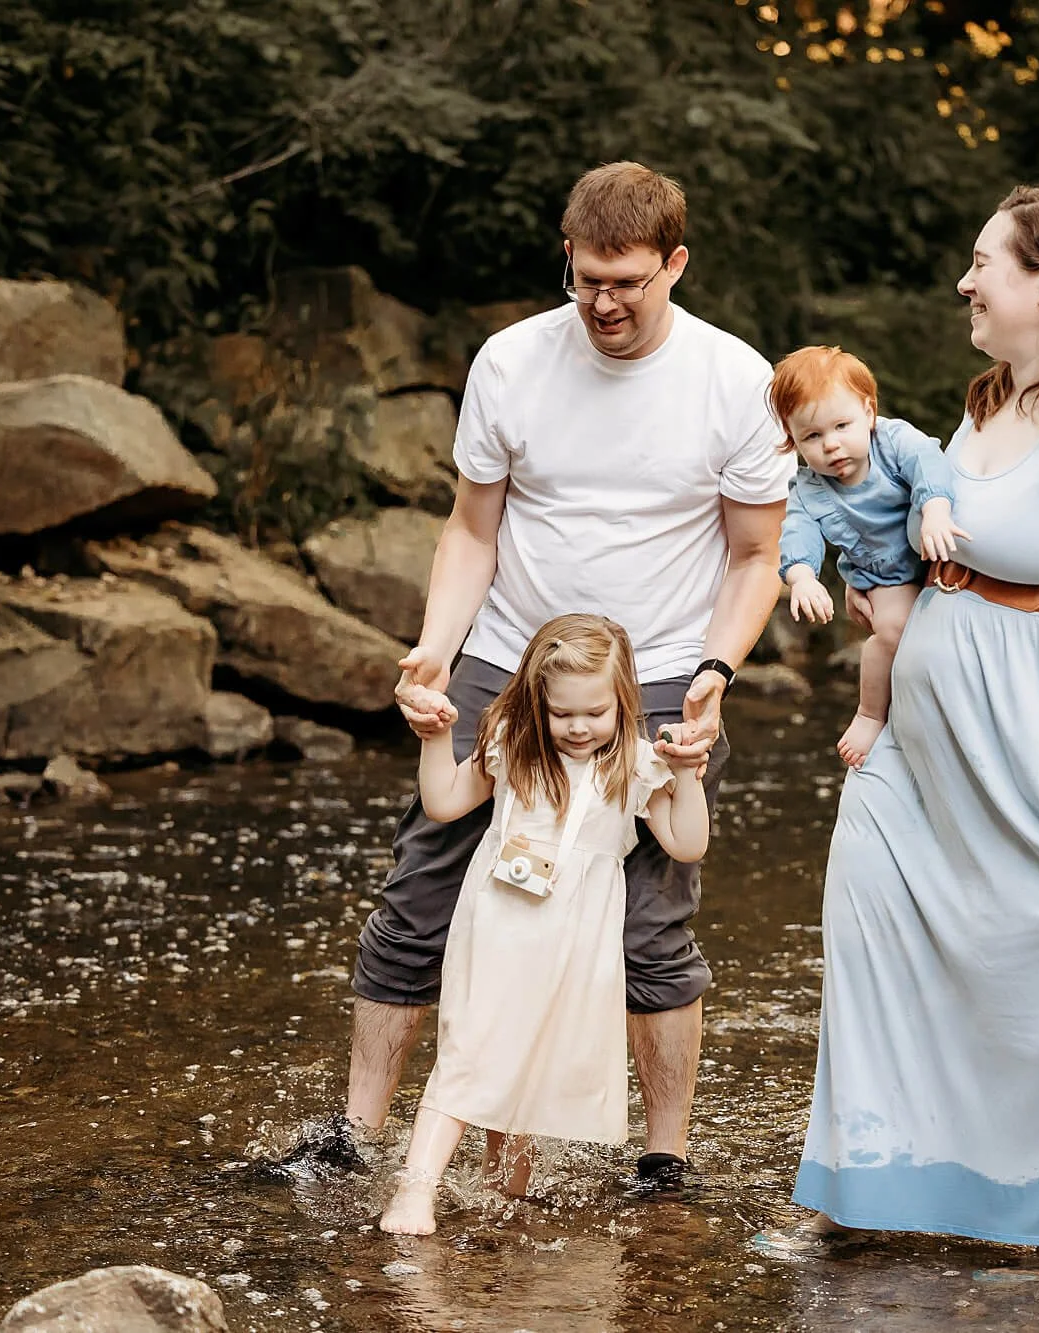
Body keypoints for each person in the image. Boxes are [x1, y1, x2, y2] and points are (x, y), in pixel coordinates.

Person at [769, 184, 1039, 1261]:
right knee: (871, 931)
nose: (963, 282)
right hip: (914, 755)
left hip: (1036, 749)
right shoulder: (979, 407)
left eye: (983, 264)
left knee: (1027, 972)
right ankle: (857, 1185)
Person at [333, 161, 793, 1190]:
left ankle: (663, 1156)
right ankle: (353, 1136)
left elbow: (754, 558)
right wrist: (434, 647)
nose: (602, 302)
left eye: (626, 280)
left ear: (674, 263)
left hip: (664, 669)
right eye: (586, 276)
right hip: (509, 662)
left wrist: (716, 669)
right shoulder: (511, 361)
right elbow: (469, 529)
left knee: (648, 924)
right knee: (420, 894)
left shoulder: (735, 382)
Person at [379, 615, 711, 1235]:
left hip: (578, 944)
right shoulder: (511, 742)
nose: (580, 728)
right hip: (500, 926)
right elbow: (444, 802)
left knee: (534, 1056)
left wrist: (688, 774)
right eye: (563, 715)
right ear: (538, 703)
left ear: (624, 702)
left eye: (596, 712)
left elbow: (686, 844)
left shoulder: (637, 765)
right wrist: (434, 738)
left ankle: (502, 1192)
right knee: (470, 1048)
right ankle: (415, 1189)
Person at [771, 345, 966, 768]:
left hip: (933, 549)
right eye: (812, 436)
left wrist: (935, 508)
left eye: (842, 425)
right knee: (895, 630)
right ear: (793, 441)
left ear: (869, 412)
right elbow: (798, 531)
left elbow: (928, 461)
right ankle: (869, 712)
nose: (832, 445)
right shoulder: (810, 490)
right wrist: (802, 577)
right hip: (885, 578)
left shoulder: (893, 442)